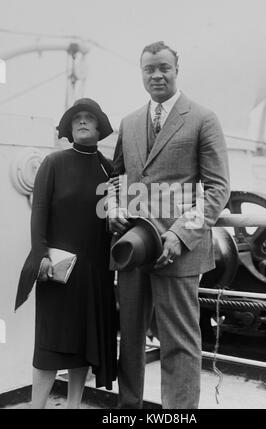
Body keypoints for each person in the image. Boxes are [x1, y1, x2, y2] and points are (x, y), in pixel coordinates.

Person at [108, 41, 230, 409]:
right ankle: (129, 409)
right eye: (149, 69)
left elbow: (217, 188)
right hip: (133, 247)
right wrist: (113, 206)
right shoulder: (129, 123)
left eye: (164, 68)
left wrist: (179, 234)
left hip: (179, 252)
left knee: (179, 342)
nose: (157, 75)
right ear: (141, 73)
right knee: (129, 339)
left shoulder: (203, 118)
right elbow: (117, 177)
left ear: (177, 69)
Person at [15, 98, 117, 409]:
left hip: (96, 270)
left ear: (99, 128)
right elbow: (39, 212)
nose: (84, 122)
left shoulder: (109, 169)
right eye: (77, 119)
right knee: (49, 343)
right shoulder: (54, 163)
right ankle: (38, 406)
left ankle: (74, 404)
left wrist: (117, 204)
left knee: (84, 343)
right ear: (69, 128)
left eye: (90, 118)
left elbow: (114, 220)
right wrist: (40, 255)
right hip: (57, 268)